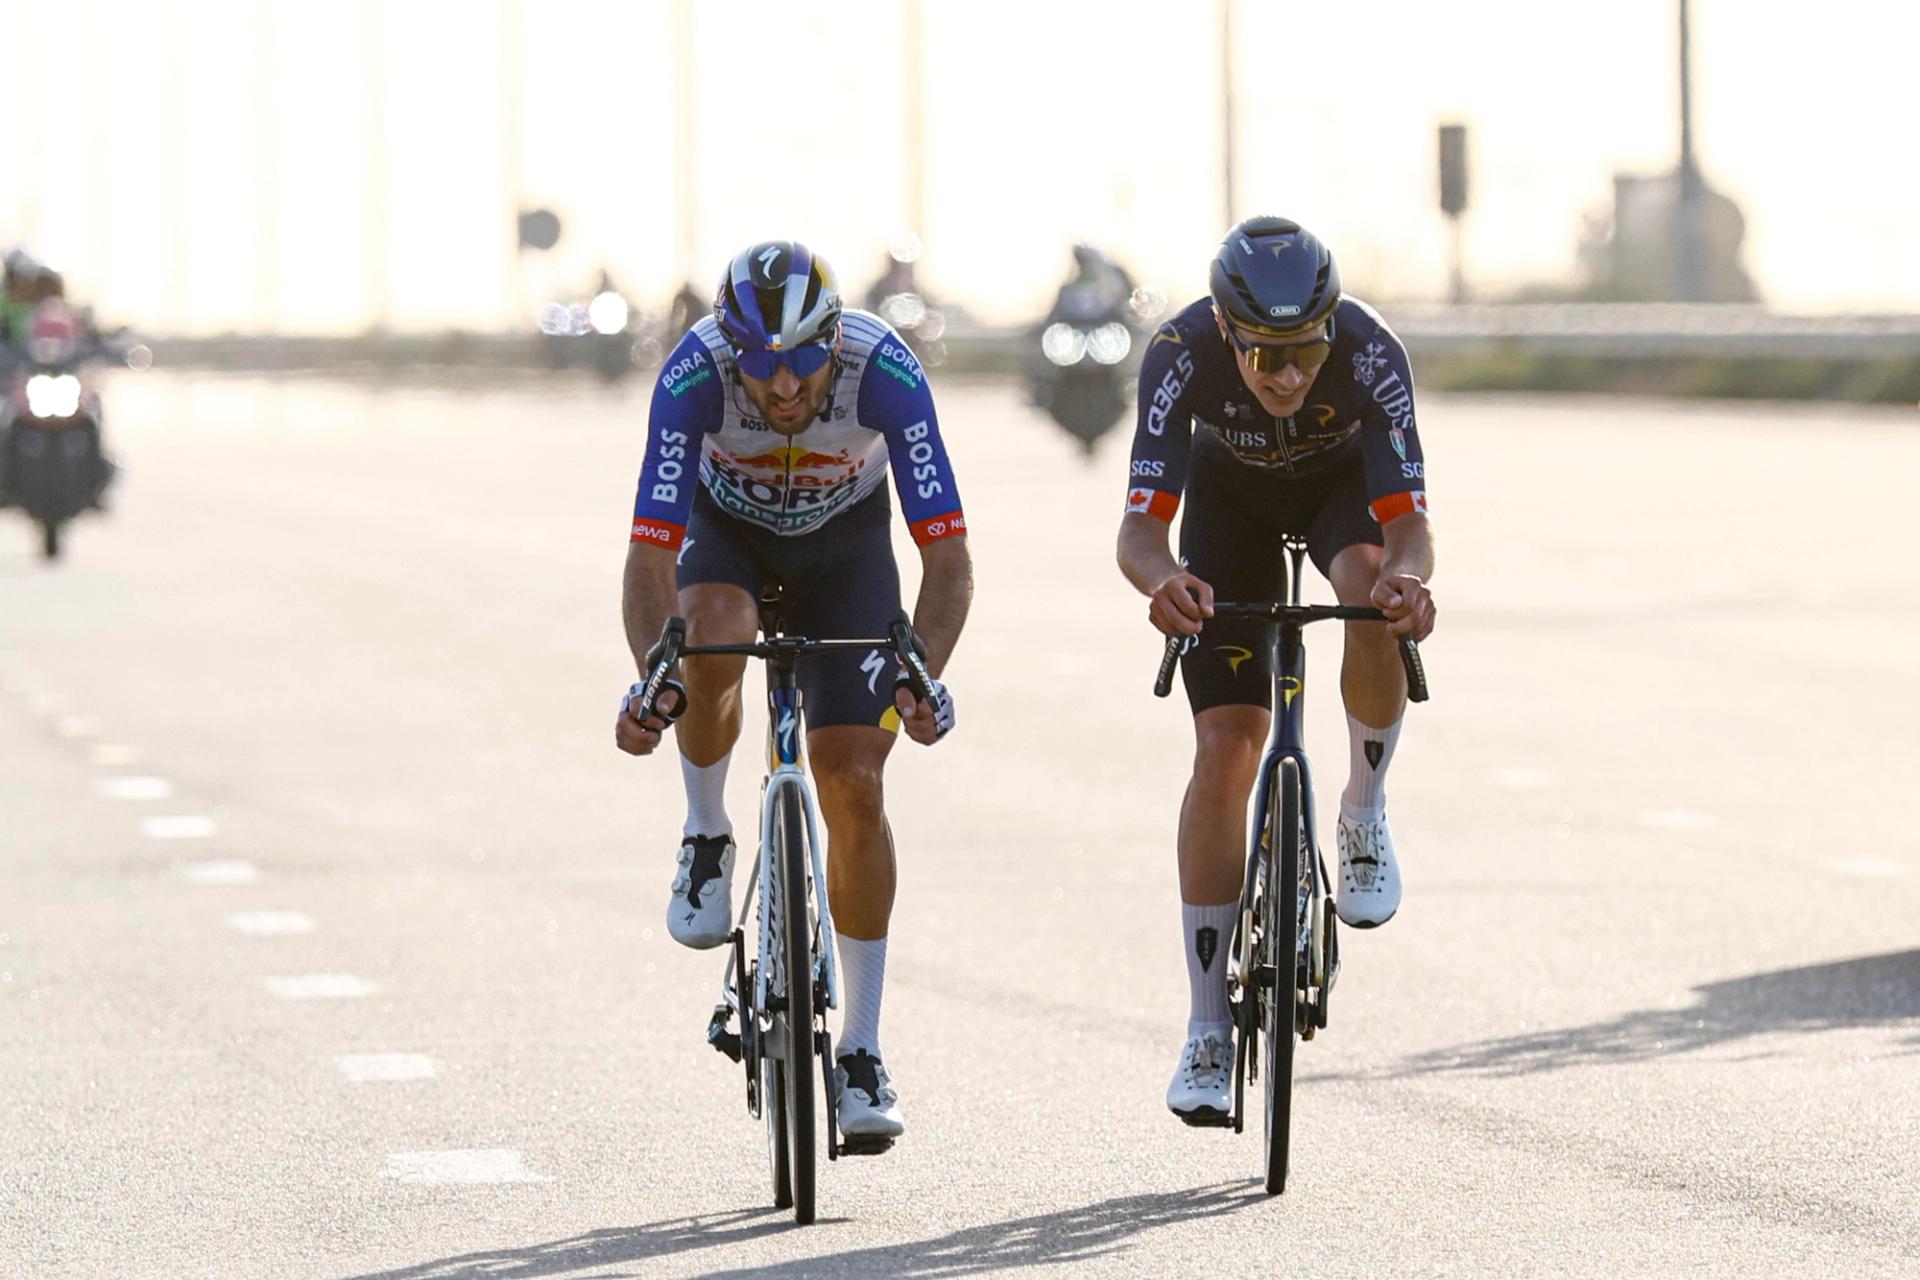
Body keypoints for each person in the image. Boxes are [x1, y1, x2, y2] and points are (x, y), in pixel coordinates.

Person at [616, 240, 973, 1147]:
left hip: (846, 551)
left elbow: (948, 558)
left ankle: (861, 1050)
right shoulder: (692, 374)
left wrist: (922, 669)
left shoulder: (885, 367)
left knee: (853, 779)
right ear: (732, 352)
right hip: (725, 538)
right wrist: (653, 675)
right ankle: (705, 830)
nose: (783, 388)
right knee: (710, 630)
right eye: (762, 367)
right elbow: (650, 557)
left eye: (804, 361)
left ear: (834, 341)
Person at [1114, 216, 1437, 1124]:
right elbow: (1140, 531)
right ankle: (1208, 1026)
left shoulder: (1372, 351)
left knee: (1371, 588)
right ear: (1227, 332)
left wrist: (1409, 581)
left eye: (1304, 352)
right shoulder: (1178, 352)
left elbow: (1409, 523)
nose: (1289, 375)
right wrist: (1165, 580)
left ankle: (1363, 812)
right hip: (1230, 512)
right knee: (1226, 748)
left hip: (1341, 499)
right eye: (1264, 357)